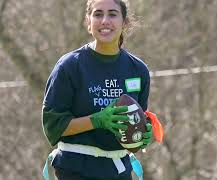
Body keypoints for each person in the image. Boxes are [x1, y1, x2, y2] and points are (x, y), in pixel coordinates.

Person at [42, 0, 153, 179]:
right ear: (88, 22)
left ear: (124, 22)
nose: (105, 21)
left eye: (112, 14)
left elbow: (137, 121)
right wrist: (97, 120)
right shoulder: (69, 66)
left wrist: (142, 135)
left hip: (119, 171)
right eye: (98, 14)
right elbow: (53, 127)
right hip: (76, 169)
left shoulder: (138, 70)